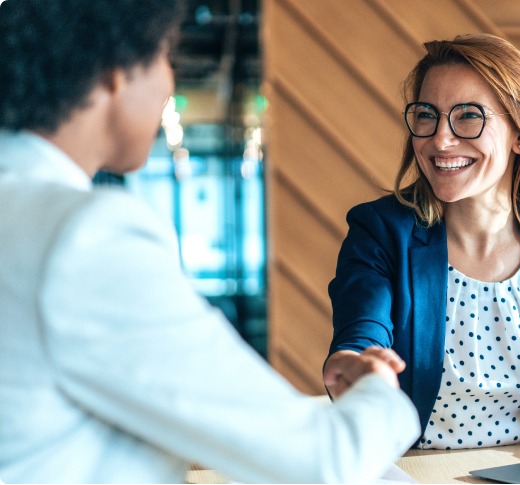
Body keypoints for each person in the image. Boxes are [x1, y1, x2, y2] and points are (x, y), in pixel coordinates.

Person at [0, 1, 420, 482]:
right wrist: (380, 388)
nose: (170, 82)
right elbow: (325, 460)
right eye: (164, 57)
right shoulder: (84, 237)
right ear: (114, 74)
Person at [323, 34, 520, 450]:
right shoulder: (381, 230)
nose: (440, 140)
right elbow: (360, 337)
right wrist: (354, 367)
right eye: (427, 115)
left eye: (469, 116)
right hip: (412, 472)